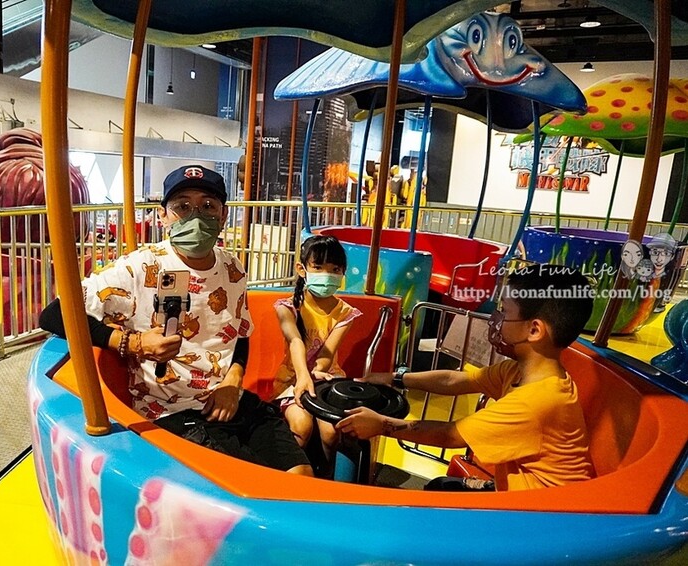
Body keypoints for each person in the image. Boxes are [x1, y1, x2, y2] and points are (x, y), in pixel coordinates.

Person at [40, 164, 312, 476]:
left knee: (300, 475)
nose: (196, 217)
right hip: (173, 413)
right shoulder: (140, 268)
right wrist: (133, 343)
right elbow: (54, 314)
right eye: (182, 207)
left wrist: (232, 381)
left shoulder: (233, 268)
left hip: (231, 399)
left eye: (208, 206)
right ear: (163, 216)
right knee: (259, 486)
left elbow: (240, 331)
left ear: (223, 215)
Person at [336, 265, 596, 491]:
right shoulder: (518, 372)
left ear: (534, 330)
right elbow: (455, 380)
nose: (495, 319)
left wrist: (381, 425)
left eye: (504, 311)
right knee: (440, 486)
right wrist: (394, 378)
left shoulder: (537, 402)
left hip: (542, 515)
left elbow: (450, 436)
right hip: (524, 496)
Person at [273, 235, 361, 468]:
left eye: (335, 269)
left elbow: (328, 352)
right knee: (301, 426)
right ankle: (288, 471)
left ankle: (326, 475)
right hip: (292, 379)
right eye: (318, 267)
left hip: (328, 379)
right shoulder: (288, 307)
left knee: (331, 432)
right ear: (302, 269)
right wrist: (303, 375)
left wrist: (318, 372)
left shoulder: (345, 312)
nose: (327, 274)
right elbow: (296, 342)